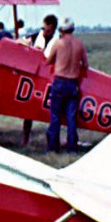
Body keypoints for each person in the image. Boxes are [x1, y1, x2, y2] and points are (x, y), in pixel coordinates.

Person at [44, 17, 88, 153]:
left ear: (61, 30)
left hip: (59, 82)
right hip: (73, 83)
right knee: (71, 118)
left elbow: (48, 61)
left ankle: (53, 148)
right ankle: (72, 148)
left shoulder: (58, 43)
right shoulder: (79, 44)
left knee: (55, 116)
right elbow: (85, 65)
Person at [21, 14, 58, 147]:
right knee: (28, 110)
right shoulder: (36, 36)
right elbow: (22, 42)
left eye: (48, 30)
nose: (45, 32)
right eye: (44, 29)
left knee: (51, 110)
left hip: (48, 79)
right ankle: (25, 138)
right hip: (33, 77)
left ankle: (52, 139)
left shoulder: (57, 41)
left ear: (53, 30)